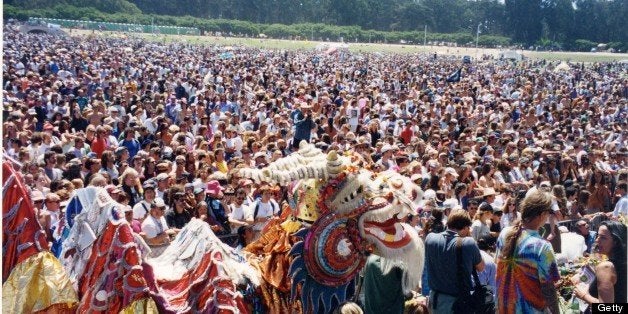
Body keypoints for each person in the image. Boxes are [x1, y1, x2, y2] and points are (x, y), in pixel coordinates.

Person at [495, 190, 560, 314]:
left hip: (503, 308)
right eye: (549, 212)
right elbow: (548, 289)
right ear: (542, 214)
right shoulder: (542, 246)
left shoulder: (505, 233)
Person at [425, 209, 484, 314]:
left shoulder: (430, 239)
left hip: (435, 301)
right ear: (466, 227)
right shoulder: (468, 243)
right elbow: (481, 267)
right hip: (457, 304)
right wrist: (470, 238)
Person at [573, 221, 627, 305]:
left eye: (603, 238)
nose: (597, 240)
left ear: (616, 242)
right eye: (598, 236)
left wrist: (583, 295)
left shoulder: (606, 267)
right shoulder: (622, 263)